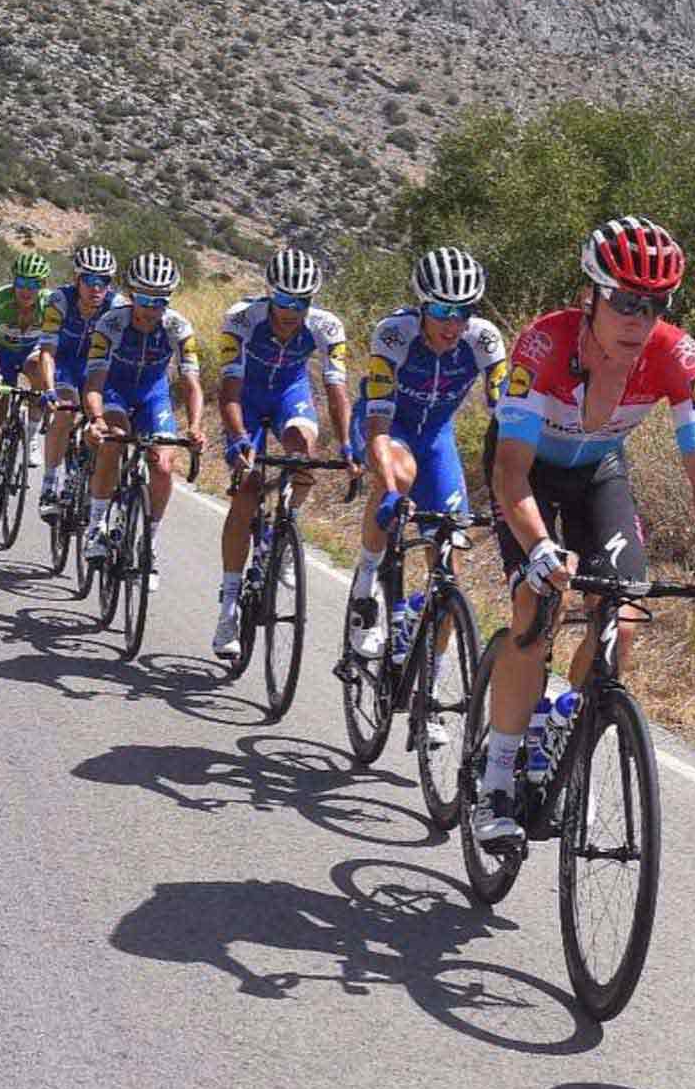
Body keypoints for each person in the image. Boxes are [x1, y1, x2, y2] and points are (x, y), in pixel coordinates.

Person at [481, 215, 695, 843]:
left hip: (599, 468)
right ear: (591, 297)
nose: (640, 318)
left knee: (623, 614)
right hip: (528, 475)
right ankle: (496, 782)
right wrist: (541, 548)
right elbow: (510, 475)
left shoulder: (677, 356)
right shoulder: (541, 348)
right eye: (626, 301)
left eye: (655, 304)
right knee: (536, 603)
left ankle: (561, 725)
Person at [345, 248, 507, 734]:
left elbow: (506, 420)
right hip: (386, 429)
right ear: (422, 305)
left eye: (463, 311)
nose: (452, 323)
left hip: (438, 439)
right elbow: (376, 420)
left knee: (449, 571)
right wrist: (390, 487)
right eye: (441, 310)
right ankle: (365, 588)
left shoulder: (484, 340)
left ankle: (428, 691)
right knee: (402, 472)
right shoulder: (394, 333)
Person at [211, 248, 355, 657]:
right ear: (270, 294)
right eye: (285, 300)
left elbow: (335, 389)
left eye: (302, 302)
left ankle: (282, 530)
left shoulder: (327, 326)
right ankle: (229, 603)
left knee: (303, 455)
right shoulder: (241, 319)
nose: (293, 310)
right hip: (248, 400)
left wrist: (346, 443)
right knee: (248, 489)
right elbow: (229, 390)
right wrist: (238, 437)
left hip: (291, 394)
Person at [80, 252, 206, 591]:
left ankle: (148, 543)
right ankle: (97, 524)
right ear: (132, 293)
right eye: (145, 298)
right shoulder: (110, 323)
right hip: (115, 391)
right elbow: (94, 382)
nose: (152, 308)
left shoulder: (178, 327)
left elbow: (192, 383)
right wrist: (95, 419)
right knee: (114, 438)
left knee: (164, 465)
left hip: (154, 396)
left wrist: (194, 426)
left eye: (160, 300)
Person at [0, 252, 59, 518]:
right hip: (2, 356)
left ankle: (31, 436)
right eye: (21, 282)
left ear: (42, 285)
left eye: (34, 284)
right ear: (14, 281)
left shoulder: (50, 304)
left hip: (32, 352)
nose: (26, 290)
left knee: (39, 376)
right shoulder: (1, 299)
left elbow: (51, 351)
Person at [39, 244, 123, 521]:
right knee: (64, 413)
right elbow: (48, 351)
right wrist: (49, 390)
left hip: (99, 372)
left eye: (104, 282)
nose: (96, 288)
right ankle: (49, 485)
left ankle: (90, 481)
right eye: (89, 280)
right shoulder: (59, 300)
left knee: (106, 430)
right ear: (77, 280)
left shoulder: (117, 307)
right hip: (65, 366)